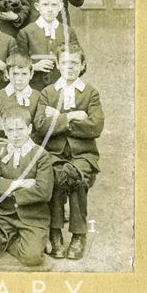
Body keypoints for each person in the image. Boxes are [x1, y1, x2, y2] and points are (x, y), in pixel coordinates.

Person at [34, 43, 105, 260]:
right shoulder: (48, 92)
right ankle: (55, 233)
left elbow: (95, 126)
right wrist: (74, 116)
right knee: (55, 177)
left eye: (74, 62)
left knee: (75, 177)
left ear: (82, 65)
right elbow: (40, 126)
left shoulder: (90, 93)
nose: (69, 67)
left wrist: (58, 117)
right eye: (64, 62)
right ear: (57, 64)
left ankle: (78, 235)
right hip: (54, 154)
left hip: (83, 155)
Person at [0, 107, 53, 266]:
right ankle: (17, 239)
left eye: (20, 129)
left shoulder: (41, 155)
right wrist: (18, 184)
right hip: (3, 214)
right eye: (10, 130)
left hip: (32, 216)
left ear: (29, 129)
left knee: (32, 258)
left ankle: (34, 240)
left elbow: (43, 191)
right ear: (5, 131)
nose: (15, 134)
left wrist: (6, 187)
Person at [16, 0, 79, 91]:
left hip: (62, 88)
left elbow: (80, 62)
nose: (50, 9)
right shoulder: (26, 32)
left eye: (54, 5)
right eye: (45, 4)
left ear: (60, 7)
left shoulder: (68, 32)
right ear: (37, 6)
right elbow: (17, 64)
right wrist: (34, 67)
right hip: (34, 88)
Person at [0, 52, 41, 121]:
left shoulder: (38, 96)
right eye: (15, 74)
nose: (19, 78)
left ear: (31, 74)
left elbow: (39, 126)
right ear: (7, 74)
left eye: (24, 74)